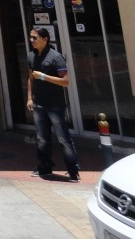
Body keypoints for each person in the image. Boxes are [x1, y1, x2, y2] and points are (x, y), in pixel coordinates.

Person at [26, 27, 79, 181]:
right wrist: (30, 97)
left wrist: (44, 76)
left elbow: (65, 81)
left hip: (55, 105)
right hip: (38, 103)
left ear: (45, 39)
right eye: (31, 37)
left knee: (63, 137)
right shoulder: (31, 56)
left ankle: (73, 169)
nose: (32, 41)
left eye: (35, 38)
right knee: (42, 137)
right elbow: (30, 78)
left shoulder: (56, 57)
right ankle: (44, 167)